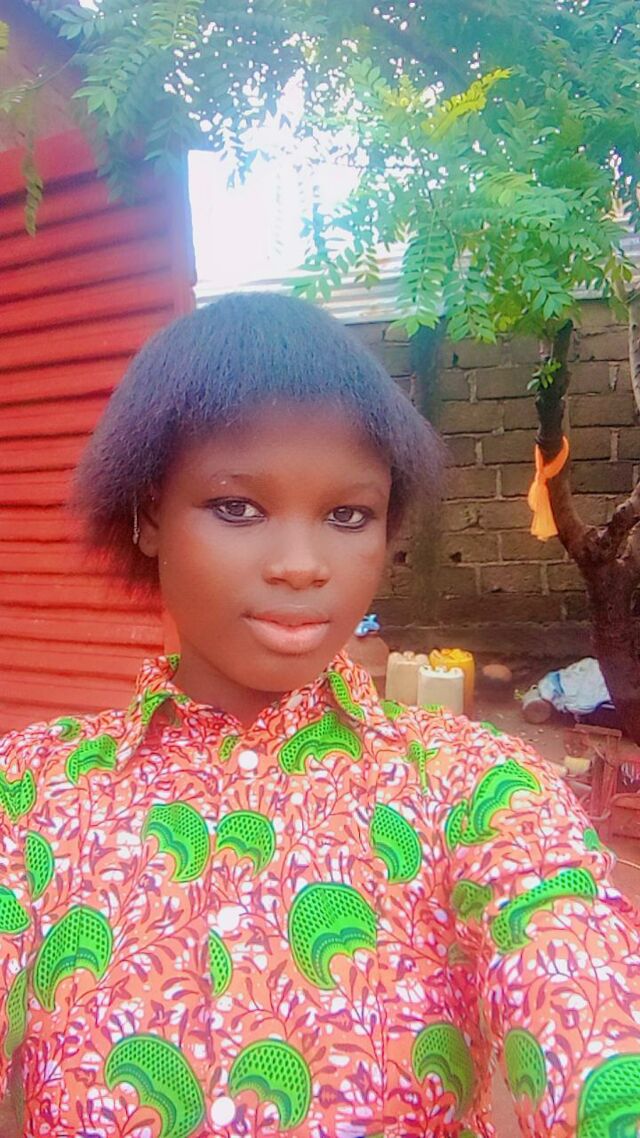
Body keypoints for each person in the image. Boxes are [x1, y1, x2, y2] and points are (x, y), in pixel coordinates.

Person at [0, 292, 638, 1138]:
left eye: (347, 515)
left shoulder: (479, 792)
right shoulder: (30, 796)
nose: (302, 565)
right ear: (150, 514)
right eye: (238, 506)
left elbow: (591, 1016)